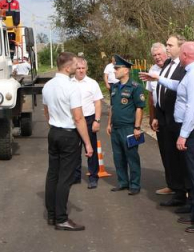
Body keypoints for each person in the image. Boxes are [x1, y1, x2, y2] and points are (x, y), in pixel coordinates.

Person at [146, 41, 194, 232]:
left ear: (185, 55)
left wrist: (183, 135)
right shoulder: (192, 72)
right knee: (192, 173)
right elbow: (178, 86)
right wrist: (157, 78)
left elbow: (192, 108)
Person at [43, 52, 94, 230]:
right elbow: (78, 118)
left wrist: (53, 126)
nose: (76, 65)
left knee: (53, 174)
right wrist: (87, 143)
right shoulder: (72, 87)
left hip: (54, 132)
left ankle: (51, 215)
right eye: (74, 64)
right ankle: (62, 218)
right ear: (67, 67)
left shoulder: (47, 86)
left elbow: (46, 111)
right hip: (68, 134)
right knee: (65, 177)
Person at [154, 35, 189, 209]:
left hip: (176, 118)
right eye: (166, 44)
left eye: (170, 45)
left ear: (180, 47)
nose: (167, 48)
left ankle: (185, 192)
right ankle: (177, 190)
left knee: (180, 157)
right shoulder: (167, 64)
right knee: (169, 156)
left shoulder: (184, 67)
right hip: (163, 117)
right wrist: (156, 115)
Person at [106, 55, 147, 195]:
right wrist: (109, 123)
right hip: (116, 128)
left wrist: (137, 127)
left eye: (117, 68)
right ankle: (123, 182)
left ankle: (135, 185)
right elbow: (112, 107)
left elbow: (139, 108)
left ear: (126, 70)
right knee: (118, 157)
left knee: (132, 157)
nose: (115, 71)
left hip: (128, 128)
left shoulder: (135, 87)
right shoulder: (114, 87)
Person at [144, 42, 174, 195]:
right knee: (164, 150)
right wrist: (152, 116)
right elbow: (151, 96)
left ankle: (185, 187)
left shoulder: (173, 68)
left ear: (166, 54)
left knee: (177, 151)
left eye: (159, 54)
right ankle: (171, 185)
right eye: (154, 55)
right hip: (160, 114)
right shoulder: (152, 70)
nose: (157, 58)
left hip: (174, 115)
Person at [72, 57, 104, 188]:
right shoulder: (69, 83)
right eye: (78, 68)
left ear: (86, 69)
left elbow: (97, 103)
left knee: (91, 150)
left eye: (83, 68)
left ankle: (93, 176)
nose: (80, 70)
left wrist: (97, 120)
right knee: (74, 150)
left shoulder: (92, 83)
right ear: (74, 68)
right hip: (73, 120)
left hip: (89, 119)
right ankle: (75, 176)